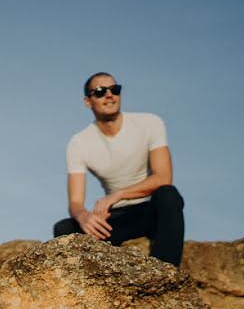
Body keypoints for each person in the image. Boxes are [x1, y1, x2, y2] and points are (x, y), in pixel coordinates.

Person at [53, 72, 185, 266]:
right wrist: (84, 217)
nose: (109, 95)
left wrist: (119, 194)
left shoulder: (150, 123)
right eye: (100, 92)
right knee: (65, 228)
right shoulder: (78, 143)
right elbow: (75, 201)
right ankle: (88, 291)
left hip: (150, 212)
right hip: (116, 220)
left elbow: (163, 178)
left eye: (114, 90)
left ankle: (166, 277)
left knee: (168, 195)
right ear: (88, 101)